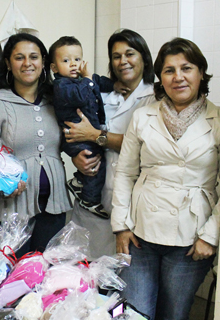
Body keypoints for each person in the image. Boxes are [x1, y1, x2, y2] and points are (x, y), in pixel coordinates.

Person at [111, 37, 218, 320]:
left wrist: (211, 236)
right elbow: (125, 172)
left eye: (186, 68)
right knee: (135, 312)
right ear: (160, 77)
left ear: (200, 73)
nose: (178, 77)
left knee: (174, 313)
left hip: (191, 235)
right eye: (169, 70)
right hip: (139, 231)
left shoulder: (217, 119)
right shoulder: (143, 115)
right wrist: (120, 225)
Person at [64, 29, 156, 259]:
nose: (123, 61)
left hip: (135, 200)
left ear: (144, 58)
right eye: (116, 56)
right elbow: (70, 127)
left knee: (126, 275)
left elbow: (145, 146)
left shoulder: (156, 97)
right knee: (86, 269)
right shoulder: (102, 94)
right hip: (95, 194)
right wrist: (76, 155)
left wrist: (95, 135)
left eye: (130, 54)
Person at [0, 33, 72, 254]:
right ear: (9, 64)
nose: (28, 63)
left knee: (48, 277)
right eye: (19, 57)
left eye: (34, 57)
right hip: (10, 210)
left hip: (53, 207)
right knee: (13, 281)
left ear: (44, 63)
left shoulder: (57, 101)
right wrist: (2, 183)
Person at [49, 36, 125, 218]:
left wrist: (114, 85)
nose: (73, 64)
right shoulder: (61, 85)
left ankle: (78, 182)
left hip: (87, 134)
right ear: (54, 67)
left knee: (97, 162)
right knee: (95, 163)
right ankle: (89, 200)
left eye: (77, 59)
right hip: (75, 136)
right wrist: (89, 79)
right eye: (66, 61)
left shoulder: (83, 79)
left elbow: (99, 80)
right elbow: (82, 95)